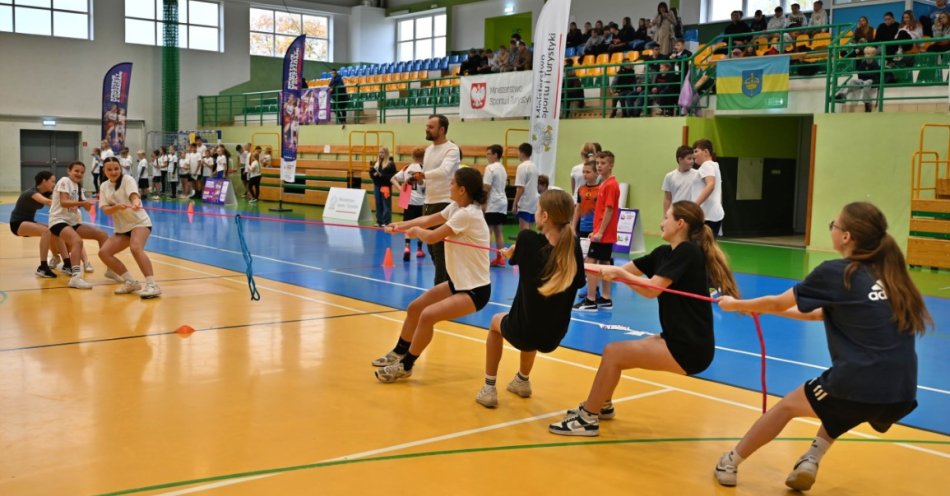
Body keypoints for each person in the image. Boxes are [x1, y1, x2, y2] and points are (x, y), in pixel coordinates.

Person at [713, 202, 929, 491]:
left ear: (846, 236)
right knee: (839, 405)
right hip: (901, 393)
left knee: (789, 406)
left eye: (833, 225)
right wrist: (760, 310)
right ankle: (811, 459)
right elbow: (818, 314)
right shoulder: (890, 274)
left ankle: (730, 462)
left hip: (860, 382)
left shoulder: (837, 272)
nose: (832, 230)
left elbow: (778, 302)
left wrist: (735, 304)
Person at [550, 201, 739, 436]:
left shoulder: (688, 252)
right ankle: (602, 404)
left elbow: (651, 289)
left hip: (690, 348)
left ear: (680, 224)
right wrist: (568, 264)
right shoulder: (664, 253)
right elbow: (619, 271)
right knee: (614, 355)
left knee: (613, 353)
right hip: (674, 338)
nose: (661, 222)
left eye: (666, 217)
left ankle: (588, 419)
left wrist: (619, 273)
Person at [374, 168, 491, 383]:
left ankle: (406, 366)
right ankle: (399, 352)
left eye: (452, 183)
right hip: (458, 283)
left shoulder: (468, 214)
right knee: (415, 308)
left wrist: (415, 232)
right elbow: (427, 219)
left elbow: (433, 236)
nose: (449, 186)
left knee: (428, 315)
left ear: (462, 190)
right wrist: (399, 226)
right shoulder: (456, 207)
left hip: (475, 290)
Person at [476, 189, 587, 408]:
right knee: (536, 320)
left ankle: (488, 388)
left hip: (523, 332)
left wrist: (512, 253)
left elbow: (520, 255)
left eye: (537, 209)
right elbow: (579, 281)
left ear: (544, 216)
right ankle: (522, 380)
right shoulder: (573, 247)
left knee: (495, 323)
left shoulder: (527, 239)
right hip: (553, 336)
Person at [97, 157, 161, 298]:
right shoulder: (104, 186)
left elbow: (134, 195)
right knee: (104, 253)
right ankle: (131, 282)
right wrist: (116, 207)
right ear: (104, 171)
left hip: (139, 223)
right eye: (109, 169)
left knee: (135, 248)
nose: (113, 172)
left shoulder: (127, 180)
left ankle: (152, 285)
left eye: (116, 169)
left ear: (120, 168)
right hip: (122, 228)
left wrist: (136, 202)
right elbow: (106, 210)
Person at [48, 161, 110, 289]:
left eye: (82, 172)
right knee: (77, 241)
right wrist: (82, 203)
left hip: (72, 222)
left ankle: (111, 269)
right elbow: (64, 202)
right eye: (76, 171)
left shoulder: (77, 186)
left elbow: (85, 207)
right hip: (58, 221)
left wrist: (90, 204)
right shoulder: (64, 181)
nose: (79, 174)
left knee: (102, 235)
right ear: (69, 171)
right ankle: (75, 277)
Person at [574, 151, 620, 312]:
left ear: (611, 165)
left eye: (603, 163)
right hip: (603, 233)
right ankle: (606, 298)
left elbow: (609, 209)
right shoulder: (605, 184)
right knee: (605, 264)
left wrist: (599, 232)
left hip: (604, 234)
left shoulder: (610, 185)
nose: (600, 166)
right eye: (598, 163)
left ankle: (590, 300)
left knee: (590, 263)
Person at [420, 114, 461, 286]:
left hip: (445, 203)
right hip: (428, 202)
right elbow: (427, 177)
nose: (427, 129)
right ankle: (448, 285)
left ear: (442, 129)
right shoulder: (428, 150)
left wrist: (423, 175)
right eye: (427, 126)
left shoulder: (452, 149)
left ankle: (440, 289)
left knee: (440, 250)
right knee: (431, 247)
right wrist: (418, 181)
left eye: (431, 127)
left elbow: (444, 171)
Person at [9, 171, 65, 278]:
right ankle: (43, 267)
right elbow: (49, 202)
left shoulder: (46, 193)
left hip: (28, 222)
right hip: (17, 223)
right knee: (46, 231)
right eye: (52, 181)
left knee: (53, 229)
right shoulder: (32, 192)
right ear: (44, 181)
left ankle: (56, 257)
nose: (54, 184)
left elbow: (54, 203)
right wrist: (68, 203)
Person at [391, 147, 427, 262]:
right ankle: (419, 249)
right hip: (421, 201)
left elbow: (393, 179)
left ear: (413, 156)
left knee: (407, 224)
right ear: (424, 157)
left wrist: (401, 189)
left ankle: (407, 247)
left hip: (408, 200)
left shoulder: (407, 168)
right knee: (421, 225)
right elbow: (424, 185)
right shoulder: (423, 169)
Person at [482, 144, 508, 267]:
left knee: (487, 231)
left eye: (489, 154)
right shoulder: (502, 168)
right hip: (502, 202)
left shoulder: (490, 168)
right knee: (498, 231)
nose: (487, 156)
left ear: (495, 155)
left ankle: (483, 259)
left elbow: (486, 187)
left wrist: (483, 203)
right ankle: (500, 258)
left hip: (493, 203)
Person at [692, 139, 725, 237]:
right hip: (714, 214)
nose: (694, 155)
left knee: (699, 245)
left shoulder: (706, 165)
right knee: (709, 245)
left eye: (696, 151)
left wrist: (694, 206)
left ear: (706, 151)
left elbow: (711, 185)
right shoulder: (715, 166)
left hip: (706, 216)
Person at [663, 145, 701, 213]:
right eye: (689, 158)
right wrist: (665, 215)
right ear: (680, 159)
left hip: (691, 212)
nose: (692, 161)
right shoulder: (669, 176)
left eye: (693, 158)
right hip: (675, 212)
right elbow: (667, 199)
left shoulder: (698, 174)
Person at [511, 143, 539, 231]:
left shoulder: (522, 167)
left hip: (525, 202)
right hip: (533, 201)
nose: (518, 154)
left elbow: (521, 188)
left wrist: (514, 203)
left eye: (518, 152)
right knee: (530, 229)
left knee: (524, 229)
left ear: (522, 153)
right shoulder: (534, 166)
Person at [572, 160, 600, 241]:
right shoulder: (581, 189)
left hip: (594, 229)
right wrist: (573, 227)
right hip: (582, 228)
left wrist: (598, 230)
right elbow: (577, 209)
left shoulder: (600, 190)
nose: (584, 174)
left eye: (588, 172)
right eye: (583, 172)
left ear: (596, 173)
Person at [369, 147, 396, 227]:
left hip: (385, 187)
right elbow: (371, 173)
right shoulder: (376, 163)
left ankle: (386, 222)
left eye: (383, 152)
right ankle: (379, 221)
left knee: (386, 204)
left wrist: (382, 175)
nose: (381, 154)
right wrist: (374, 175)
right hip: (377, 186)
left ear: (386, 153)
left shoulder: (390, 164)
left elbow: (392, 176)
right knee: (378, 204)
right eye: (380, 152)